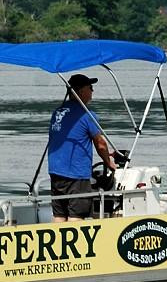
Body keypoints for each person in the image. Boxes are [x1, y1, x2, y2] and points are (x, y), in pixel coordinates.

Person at [48, 73, 117, 222]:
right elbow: (101, 144)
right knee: (76, 216)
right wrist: (109, 162)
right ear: (80, 92)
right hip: (76, 174)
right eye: (90, 88)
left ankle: (60, 244)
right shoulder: (87, 115)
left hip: (56, 172)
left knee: (59, 215)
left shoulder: (57, 112)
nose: (93, 91)